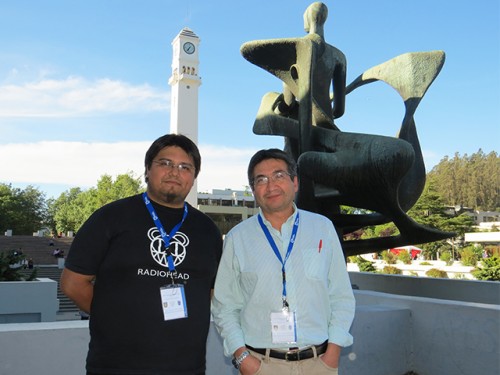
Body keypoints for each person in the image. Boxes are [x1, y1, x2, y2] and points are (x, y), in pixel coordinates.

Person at [61, 134, 223, 375]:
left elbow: (211, 292)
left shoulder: (207, 230)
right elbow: (73, 284)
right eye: (165, 163)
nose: (174, 172)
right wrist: (115, 318)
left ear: (193, 177)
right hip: (116, 366)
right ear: (147, 169)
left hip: (187, 367)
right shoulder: (110, 218)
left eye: (184, 167)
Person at [211, 148, 355, 375]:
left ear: (295, 182)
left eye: (279, 176)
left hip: (319, 363)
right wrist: (242, 358)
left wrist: (334, 352)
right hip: (261, 364)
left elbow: (341, 295)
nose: (271, 186)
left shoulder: (322, 228)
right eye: (261, 179)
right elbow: (224, 306)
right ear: (253, 190)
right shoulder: (238, 238)